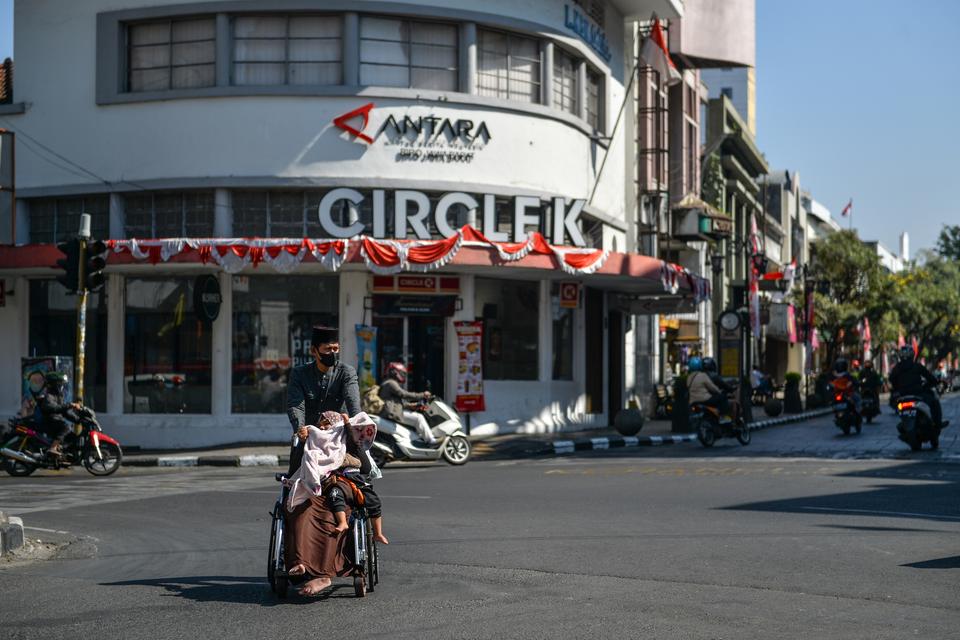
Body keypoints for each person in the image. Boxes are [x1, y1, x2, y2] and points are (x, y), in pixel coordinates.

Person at [286, 325, 362, 475]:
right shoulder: (299, 374)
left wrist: (358, 424)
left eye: (335, 349)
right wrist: (300, 429)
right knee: (293, 478)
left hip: (338, 438)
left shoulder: (347, 372)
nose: (332, 353)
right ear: (314, 351)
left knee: (362, 482)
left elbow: (353, 402)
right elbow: (296, 405)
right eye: (328, 349)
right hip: (310, 437)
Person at [379, 362, 436, 445]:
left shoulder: (388, 382)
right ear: (395, 372)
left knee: (415, 416)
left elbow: (396, 403)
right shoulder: (391, 383)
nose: (403, 375)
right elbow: (404, 394)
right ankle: (431, 440)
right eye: (402, 373)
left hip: (391, 411)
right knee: (418, 418)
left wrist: (412, 405)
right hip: (391, 413)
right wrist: (422, 395)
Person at [889, 345, 942, 427]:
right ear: (912, 355)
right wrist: (933, 382)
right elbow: (930, 378)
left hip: (903, 395)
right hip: (917, 393)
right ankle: (937, 423)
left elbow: (891, 379)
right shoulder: (917, 366)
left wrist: (898, 388)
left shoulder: (897, 368)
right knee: (933, 401)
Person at [32, 371, 81, 458]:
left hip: (55, 420)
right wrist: (69, 405)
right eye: (60, 384)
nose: (62, 386)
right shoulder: (48, 396)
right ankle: (53, 448)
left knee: (72, 436)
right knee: (65, 427)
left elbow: (64, 412)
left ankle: (62, 455)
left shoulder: (58, 395)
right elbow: (53, 408)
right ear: (55, 384)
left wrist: (78, 419)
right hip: (48, 421)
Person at [702, 357, 740, 423]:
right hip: (712, 401)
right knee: (732, 403)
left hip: (702, 400)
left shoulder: (699, 376)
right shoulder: (714, 376)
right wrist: (731, 388)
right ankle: (731, 422)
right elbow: (724, 385)